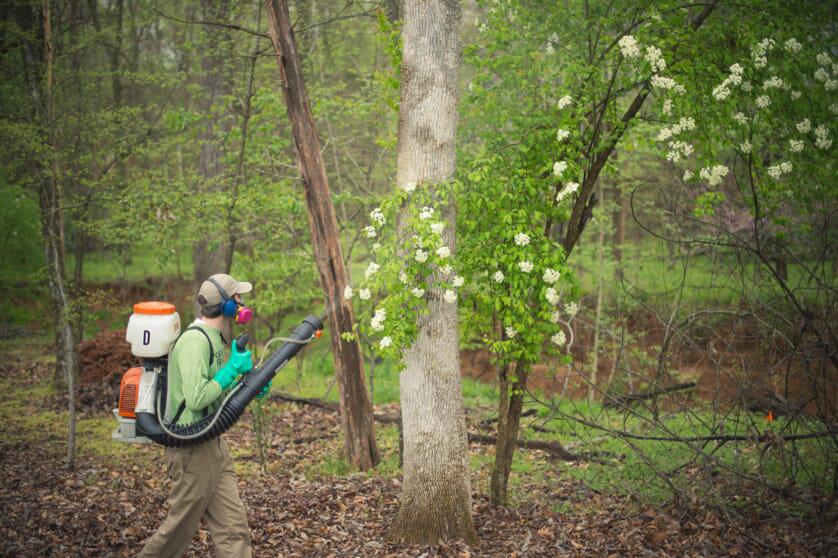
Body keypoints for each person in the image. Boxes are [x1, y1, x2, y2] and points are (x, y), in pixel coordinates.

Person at [138, 273, 257, 558]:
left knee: (233, 529)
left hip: (214, 444)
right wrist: (231, 369)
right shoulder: (194, 341)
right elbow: (197, 397)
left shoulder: (216, 338)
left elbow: (215, 388)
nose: (242, 303)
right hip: (191, 450)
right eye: (238, 298)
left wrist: (248, 381)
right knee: (177, 532)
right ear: (227, 306)